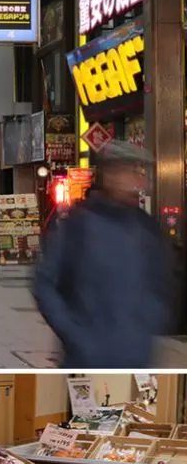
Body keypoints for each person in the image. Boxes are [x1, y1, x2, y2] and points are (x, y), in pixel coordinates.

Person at [34, 141, 172, 369]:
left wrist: (149, 325)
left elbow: (162, 285)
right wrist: (74, 334)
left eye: (141, 172)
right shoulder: (78, 224)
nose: (139, 181)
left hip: (138, 357)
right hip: (86, 359)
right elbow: (44, 283)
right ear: (111, 175)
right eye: (132, 171)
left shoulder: (147, 228)